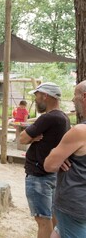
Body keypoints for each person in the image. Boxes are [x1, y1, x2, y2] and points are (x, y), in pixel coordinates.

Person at [19, 82, 70, 238]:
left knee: (43, 221)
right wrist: (33, 138)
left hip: (39, 176)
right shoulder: (64, 117)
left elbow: (22, 138)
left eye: (37, 95)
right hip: (53, 175)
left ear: (45, 95)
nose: (36, 99)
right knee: (54, 218)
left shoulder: (47, 118)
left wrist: (31, 137)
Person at [44, 80, 86, 238]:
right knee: (57, 233)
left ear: (84, 97)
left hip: (75, 206)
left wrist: (58, 152)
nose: (74, 102)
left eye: (75, 98)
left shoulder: (80, 131)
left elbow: (49, 165)